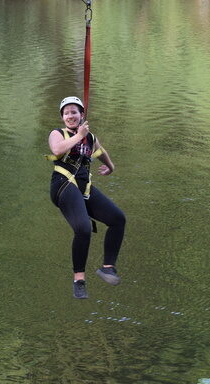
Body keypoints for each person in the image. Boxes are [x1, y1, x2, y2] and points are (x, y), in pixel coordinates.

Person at [48, 96, 126, 299]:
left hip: (83, 187)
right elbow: (57, 151)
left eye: (74, 112)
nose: (70, 116)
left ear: (82, 115)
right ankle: (79, 280)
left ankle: (108, 267)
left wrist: (110, 166)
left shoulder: (89, 137)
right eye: (66, 113)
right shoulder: (58, 134)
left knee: (118, 219)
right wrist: (78, 135)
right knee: (83, 228)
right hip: (63, 185)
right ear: (63, 117)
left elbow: (100, 151)